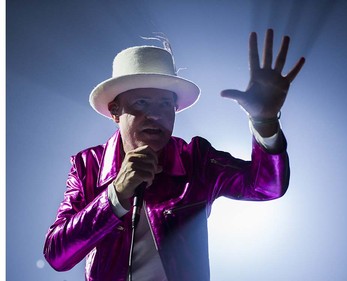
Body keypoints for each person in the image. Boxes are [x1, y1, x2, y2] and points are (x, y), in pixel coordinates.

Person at [44, 29, 305, 281]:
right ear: (115, 111)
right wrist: (116, 194)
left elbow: (266, 186)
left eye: (166, 104)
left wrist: (265, 121)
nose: (156, 115)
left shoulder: (197, 159)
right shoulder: (87, 165)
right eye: (141, 103)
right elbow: (57, 255)